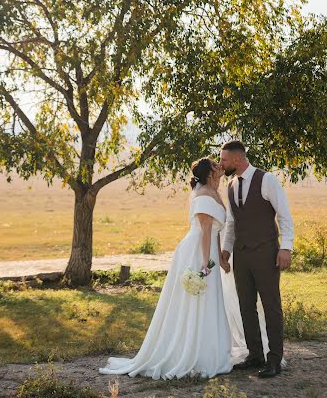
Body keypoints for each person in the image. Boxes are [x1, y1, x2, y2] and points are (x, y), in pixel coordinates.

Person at [99, 157, 233, 380]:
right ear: (210, 173)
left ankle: (207, 349)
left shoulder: (215, 193)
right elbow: (206, 229)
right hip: (196, 252)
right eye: (215, 166)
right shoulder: (203, 196)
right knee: (194, 300)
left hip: (208, 250)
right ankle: (190, 352)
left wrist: (218, 257)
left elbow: (216, 230)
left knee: (207, 300)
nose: (220, 167)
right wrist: (204, 261)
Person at [220, 140, 294, 378]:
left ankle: (274, 359)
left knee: (271, 306)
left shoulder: (267, 180)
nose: (221, 164)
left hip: (266, 253)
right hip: (241, 255)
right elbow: (232, 224)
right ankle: (255, 355)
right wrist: (226, 250)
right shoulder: (230, 186)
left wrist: (286, 248)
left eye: (224, 160)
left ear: (238, 159)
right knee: (246, 306)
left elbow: (284, 215)